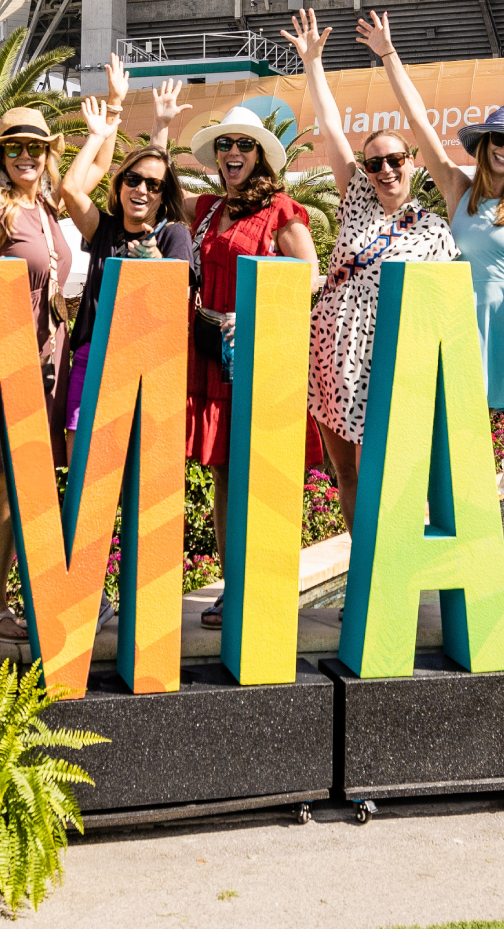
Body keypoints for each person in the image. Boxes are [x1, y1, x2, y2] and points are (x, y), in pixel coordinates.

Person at [360, 8, 504, 624]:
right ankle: (476, 565)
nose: (503, 150)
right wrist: (389, 54)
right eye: (496, 139)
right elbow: (419, 122)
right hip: (460, 329)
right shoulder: (458, 188)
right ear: (484, 144)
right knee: (466, 456)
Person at [285, 9, 458, 534]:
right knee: (344, 468)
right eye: (374, 162)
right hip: (331, 345)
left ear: (413, 163)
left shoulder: (433, 230)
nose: (385, 170)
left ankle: (386, 571)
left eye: (395, 160)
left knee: (376, 466)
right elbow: (332, 128)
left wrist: (387, 53)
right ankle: (363, 573)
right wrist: (312, 63)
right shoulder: (357, 199)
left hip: (386, 352)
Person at [182, 98, 319, 629]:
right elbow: (145, 191)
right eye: (224, 143)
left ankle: (268, 585)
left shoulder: (283, 210)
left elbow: (308, 275)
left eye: (244, 144)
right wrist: (163, 127)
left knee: (264, 471)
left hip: (260, 353)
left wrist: (258, 311)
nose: (233, 151)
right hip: (211, 352)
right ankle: (234, 584)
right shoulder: (208, 209)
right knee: (222, 472)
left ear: (261, 155)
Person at [0, 106, 77, 642]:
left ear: (49, 154)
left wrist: (115, 118)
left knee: (33, 480)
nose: (27, 156)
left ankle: (28, 594)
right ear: (1, 157)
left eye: (36, 147)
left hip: (52, 356)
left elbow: (95, 177)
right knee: (7, 485)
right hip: (14, 361)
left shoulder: (49, 210)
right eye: (15, 148)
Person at [57, 65, 192, 446]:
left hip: (145, 366)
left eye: (153, 186)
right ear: (120, 185)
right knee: (82, 471)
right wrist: (99, 132)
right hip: (92, 359)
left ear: (163, 196)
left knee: (137, 476)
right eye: (132, 180)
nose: (142, 190)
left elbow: (177, 299)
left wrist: (156, 265)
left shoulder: (174, 235)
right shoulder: (104, 228)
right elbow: (70, 189)